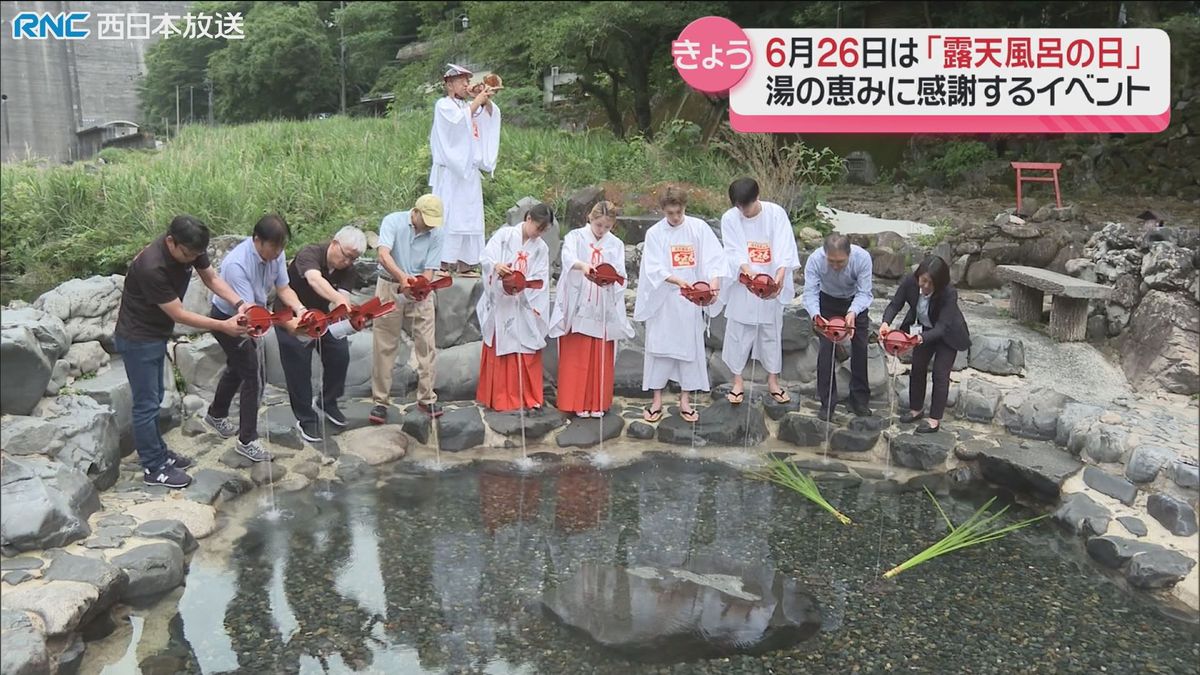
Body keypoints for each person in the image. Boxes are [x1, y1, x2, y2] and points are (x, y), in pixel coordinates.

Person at [114, 215, 249, 488]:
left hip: (155, 334)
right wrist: (223, 325)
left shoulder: (191, 246)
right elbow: (178, 313)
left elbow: (210, 276)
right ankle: (154, 468)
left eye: (196, 255)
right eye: (187, 254)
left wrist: (239, 302)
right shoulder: (152, 266)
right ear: (170, 242)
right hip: (138, 337)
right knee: (147, 403)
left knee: (157, 396)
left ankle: (158, 453)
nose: (191, 259)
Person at [203, 215, 307, 462]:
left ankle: (216, 414)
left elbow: (283, 288)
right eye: (274, 246)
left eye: (282, 246)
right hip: (231, 320)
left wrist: (300, 311)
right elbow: (252, 313)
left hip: (254, 313)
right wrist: (288, 324)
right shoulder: (236, 264)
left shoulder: (277, 252)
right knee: (253, 375)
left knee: (237, 368)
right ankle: (247, 440)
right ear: (257, 240)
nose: (278, 252)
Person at [633, 186, 729, 424]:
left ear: (685, 207)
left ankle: (685, 399)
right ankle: (656, 399)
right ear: (663, 211)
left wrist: (713, 283)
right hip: (665, 299)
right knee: (659, 349)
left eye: (679, 212)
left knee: (689, 350)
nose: (675, 217)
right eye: (670, 213)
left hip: (691, 300)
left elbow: (714, 258)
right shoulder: (655, 233)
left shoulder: (698, 228)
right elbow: (653, 268)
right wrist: (677, 280)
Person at [275, 226, 364, 443]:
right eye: (346, 255)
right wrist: (339, 300)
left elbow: (342, 299)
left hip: (323, 318)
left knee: (340, 353)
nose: (348, 262)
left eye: (354, 259)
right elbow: (315, 280)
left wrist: (350, 316)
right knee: (298, 364)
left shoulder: (348, 270)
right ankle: (306, 418)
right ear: (334, 243)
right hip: (292, 315)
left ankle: (328, 401)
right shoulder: (310, 253)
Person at [548, 201, 635, 418]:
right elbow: (567, 258)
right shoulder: (575, 237)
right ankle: (575, 401)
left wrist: (611, 279)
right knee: (578, 354)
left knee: (599, 354)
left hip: (602, 301)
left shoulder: (615, 244)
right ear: (590, 218)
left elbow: (621, 274)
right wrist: (582, 266)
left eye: (607, 227)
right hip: (580, 298)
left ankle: (598, 402)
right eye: (598, 225)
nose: (602, 230)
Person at [718, 178, 800, 405]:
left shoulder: (775, 213)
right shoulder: (730, 217)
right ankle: (737, 381)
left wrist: (781, 273)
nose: (743, 210)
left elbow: (785, 246)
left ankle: (773, 381)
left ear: (757, 197)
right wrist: (747, 271)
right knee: (738, 332)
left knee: (771, 333)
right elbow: (732, 250)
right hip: (744, 284)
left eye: (746, 205)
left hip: (771, 282)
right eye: (739, 206)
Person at [370, 194, 447, 423]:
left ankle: (427, 397)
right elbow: (383, 255)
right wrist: (402, 278)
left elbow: (430, 269)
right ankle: (380, 401)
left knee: (427, 343)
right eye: (427, 219)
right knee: (384, 344)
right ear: (416, 212)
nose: (430, 225)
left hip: (420, 290)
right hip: (390, 285)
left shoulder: (437, 233)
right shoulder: (393, 221)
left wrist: (420, 285)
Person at [476, 204, 554, 411]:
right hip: (501, 300)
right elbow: (485, 258)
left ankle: (527, 397)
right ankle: (500, 398)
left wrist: (527, 293)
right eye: (538, 227)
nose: (539, 233)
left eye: (543, 231)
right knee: (502, 339)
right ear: (528, 219)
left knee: (525, 341)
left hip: (524, 301)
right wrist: (496, 266)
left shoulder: (541, 248)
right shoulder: (504, 235)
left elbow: (541, 278)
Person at [880, 255, 971, 433]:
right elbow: (895, 305)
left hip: (947, 335)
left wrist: (919, 339)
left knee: (940, 374)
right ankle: (916, 409)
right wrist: (885, 323)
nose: (926, 286)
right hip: (921, 328)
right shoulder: (909, 282)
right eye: (923, 281)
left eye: (931, 283)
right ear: (918, 276)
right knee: (918, 367)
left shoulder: (949, 293)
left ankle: (934, 419)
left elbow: (942, 327)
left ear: (940, 282)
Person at [429, 63, 500, 275]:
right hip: (451, 172)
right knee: (449, 216)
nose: (467, 85)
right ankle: (443, 261)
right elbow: (457, 123)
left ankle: (466, 262)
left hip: (469, 172)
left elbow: (490, 116)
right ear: (450, 84)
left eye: (468, 81)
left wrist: (485, 99)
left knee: (470, 216)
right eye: (463, 81)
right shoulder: (443, 105)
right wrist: (477, 100)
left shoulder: (466, 105)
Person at [803, 233, 874, 420]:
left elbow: (865, 292)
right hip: (826, 301)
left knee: (860, 347)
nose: (835, 266)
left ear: (849, 255)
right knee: (826, 351)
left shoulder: (862, 259)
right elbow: (810, 292)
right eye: (831, 261)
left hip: (855, 301)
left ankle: (859, 400)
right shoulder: (815, 260)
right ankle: (827, 403)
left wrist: (852, 312)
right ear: (824, 254)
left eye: (840, 262)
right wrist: (816, 315)